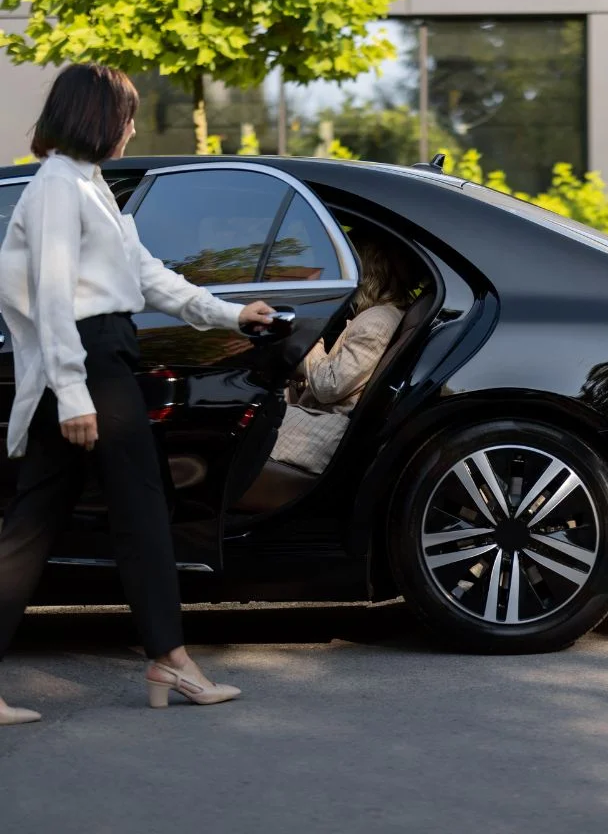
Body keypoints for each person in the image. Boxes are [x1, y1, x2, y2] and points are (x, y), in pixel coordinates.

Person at [0, 64, 277, 725]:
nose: (131, 127)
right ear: (97, 117)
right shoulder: (59, 190)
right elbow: (55, 294)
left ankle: (168, 659)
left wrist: (229, 314)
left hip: (100, 354)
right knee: (142, 514)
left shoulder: (89, 187)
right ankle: (171, 660)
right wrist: (73, 395)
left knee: (33, 526)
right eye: (126, 114)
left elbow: (146, 276)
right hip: (91, 361)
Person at [268, 231, 421, 477]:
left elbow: (329, 387)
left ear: (367, 272)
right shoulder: (381, 316)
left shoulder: (377, 322)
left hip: (321, 434)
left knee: (241, 418)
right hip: (318, 420)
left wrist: (310, 337)